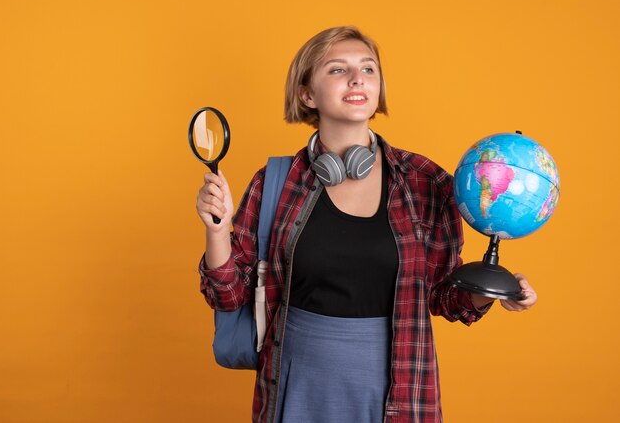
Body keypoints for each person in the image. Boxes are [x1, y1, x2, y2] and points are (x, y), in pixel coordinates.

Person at [196, 26, 537, 423]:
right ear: (307, 94)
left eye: (368, 69)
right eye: (338, 70)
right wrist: (217, 231)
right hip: (296, 383)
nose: (358, 79)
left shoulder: (425, 182)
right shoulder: (275, 181)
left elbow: (443, 296)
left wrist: (489, 291)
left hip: (398, 388)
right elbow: (228, 296)